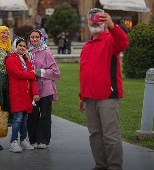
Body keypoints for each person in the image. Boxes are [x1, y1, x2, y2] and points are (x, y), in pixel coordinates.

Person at [79, 8, 129, 170]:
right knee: (95, 134)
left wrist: (112, 25)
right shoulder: (87, 46)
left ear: (104, 21)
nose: (94, 22)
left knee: (110, 134)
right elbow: (85, 73)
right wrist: (82, 95)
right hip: (90, 97)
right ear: (87, 23)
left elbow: (123, 43)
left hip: (107, 96)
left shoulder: (110, 39)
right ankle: (100, 165)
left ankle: (114, 166)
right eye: (91, 20)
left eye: (98, 19)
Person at [5, 37, 40, 153]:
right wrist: (31, 75)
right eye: (20, 45)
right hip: (16, 93)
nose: (22, 48)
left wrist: (35, 93)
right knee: (18, 118)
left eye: (24, 46)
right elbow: (15, 73)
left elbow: (32, 80)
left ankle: (23, 140)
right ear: (15, 46)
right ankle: (13, 142)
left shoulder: (26, 60)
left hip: (26, 94)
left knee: (25, 119)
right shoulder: (10, 59)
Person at [27, 29, 60, 149]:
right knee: (33, 115)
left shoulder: (46, 52)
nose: (34, 39)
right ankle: (33, 139)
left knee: (45, 115)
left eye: (37, 37)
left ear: (41, 38)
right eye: (32, 37)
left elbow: (56, 72)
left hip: (45, 88)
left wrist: (38, 72)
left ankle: (43, 140)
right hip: (33, 89)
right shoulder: (28, 53)